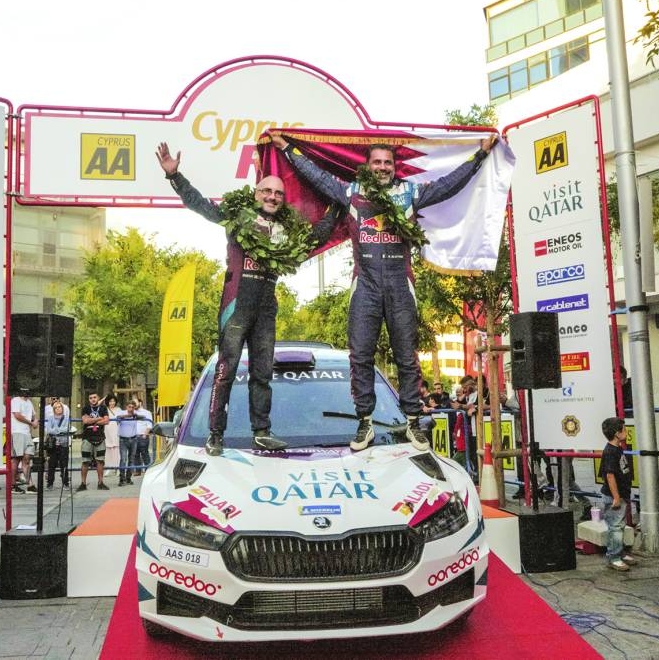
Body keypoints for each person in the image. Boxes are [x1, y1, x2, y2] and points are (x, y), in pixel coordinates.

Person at [272, 132, 498, 452]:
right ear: (367, 166)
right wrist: (288, 149)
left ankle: (412, 421)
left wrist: (480, 156)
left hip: (399, 283)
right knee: (360, 355)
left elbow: (449, 185)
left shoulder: (410, 192)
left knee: (407, 357)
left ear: (395, 167)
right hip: (364, 284)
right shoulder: (352, 192)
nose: (382, 167)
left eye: (387, 163)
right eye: (377, 162)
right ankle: (364, 422)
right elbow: (318, 177)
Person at [156, 142, 334, 456]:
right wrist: (176, 177)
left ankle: (262, 432)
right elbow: (202, 205)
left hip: (266, 308)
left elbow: (315, 237)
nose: (272, 197)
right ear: (256, 193)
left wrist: (338, 206)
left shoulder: (287, 229)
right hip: (236, 305)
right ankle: (215, 434)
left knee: (262, 373)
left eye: (278, 193)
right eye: (267, 191)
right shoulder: (237, 217)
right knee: (226, 370)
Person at [597, 416, 637, 571]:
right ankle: (614, 556)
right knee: (615, 526)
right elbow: (609, 475)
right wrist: (616, 497)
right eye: (624, 429)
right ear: (616, 433)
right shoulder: (610, 452)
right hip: (614, 495)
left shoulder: (617, 448)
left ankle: (619, 552)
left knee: (619, 525)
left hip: (621, 493)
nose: (626, 431)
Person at [78, 392, 109, 491]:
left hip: (100, 437)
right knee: (85, 461)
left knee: (100, 461)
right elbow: (85, 421)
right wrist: (99, 418)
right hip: (87, 438)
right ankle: (83, 483)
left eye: (95, 397)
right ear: (89, 399)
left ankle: (100, 483)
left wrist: (92, 420)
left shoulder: (103, 408)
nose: (93, 399)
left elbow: (106, 421)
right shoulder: (85, 408)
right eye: (90, 398)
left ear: (98, 398)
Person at [9, 391, 37, 493]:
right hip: (17, 432)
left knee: (27, 458)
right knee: (16, 459)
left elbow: (34, 416)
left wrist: (35, 422)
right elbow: (17, 415)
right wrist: (31, 422)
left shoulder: (29, 402)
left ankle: (30, 484)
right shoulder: (15, 400)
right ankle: (12, 484)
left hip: (27, 433)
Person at [44, 400, 71, 489]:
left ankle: (65, 483)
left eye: (59, 407)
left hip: (64, 443)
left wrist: (56, 430)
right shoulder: (51, 418)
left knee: (64, 464)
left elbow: (66, 428)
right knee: (52, 464)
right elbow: (48, 430)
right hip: (53, 444)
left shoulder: (66, 418)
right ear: (53, 409)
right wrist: (58, 431)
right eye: (56, 408)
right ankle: (50, 483)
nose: (58, 409)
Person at [114, 401, 139, 486]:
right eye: (129, 407)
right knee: (123, 459)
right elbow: (117, 418)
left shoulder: (136, 414)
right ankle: (122, 479)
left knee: (131, 460)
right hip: (123, 440)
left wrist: (135, 415)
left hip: (134, 439)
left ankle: (128, 478)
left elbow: (143, 417)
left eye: (132, 407)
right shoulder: (121, 412)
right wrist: (128, 416)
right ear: (126, 407)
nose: (131, 409)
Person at [133, 399, 154, 475]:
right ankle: (138, 471)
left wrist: (145, 434)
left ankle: (148, 470)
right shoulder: (132, 413)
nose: (134, 404)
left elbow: (149, 425)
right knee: (135, 454)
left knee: (144, 453)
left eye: (135, 403)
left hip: (143, 436)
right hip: (134, 436)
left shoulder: (146, 412)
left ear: (140, 403)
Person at [103, 395, 120, 475]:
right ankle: (109, 467)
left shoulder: (118, 409)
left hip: (116, 430)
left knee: (116, 449)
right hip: (107, 431)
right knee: (109, 449)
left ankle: (118, 468)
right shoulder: (105, 409)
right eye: (110, 401)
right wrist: (104, 398)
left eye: (113, 401)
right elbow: (97, 405)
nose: (112, 403)